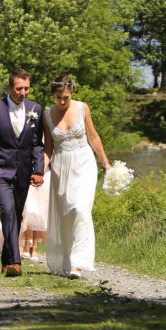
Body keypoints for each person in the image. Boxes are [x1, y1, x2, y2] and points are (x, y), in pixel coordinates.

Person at [0, 69, 45, 277]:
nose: (23, 93)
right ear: (9, 87)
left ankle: (6, 260)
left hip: (23, 171)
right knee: (7, 210)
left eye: (26, 88)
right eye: (18, 89)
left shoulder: (36, 109)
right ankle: (15, 262)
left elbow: (37, 144)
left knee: (16, 214)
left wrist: (38, 169)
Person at [42, 75, 111, 279]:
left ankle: (78, 264)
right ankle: (66, 259)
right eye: (58, 98)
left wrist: (105, 161)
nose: (62, 102)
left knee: (81, 209)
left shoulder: (82, 108)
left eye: (66, 97)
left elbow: (93, 136)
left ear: (72, 93)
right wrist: (41, 168)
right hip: (61, 166)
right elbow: (48, 147)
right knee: (65, 215)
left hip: (84, 163)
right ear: (53, 96)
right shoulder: (47, 115)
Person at [19, 147, 51, 260]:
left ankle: (35, 247)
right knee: (28, 211)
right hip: (27, 176)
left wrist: (41, 169)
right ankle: (27, 244)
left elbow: (51, 153)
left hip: (44, 177)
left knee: (39, 213)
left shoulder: (46, 138)